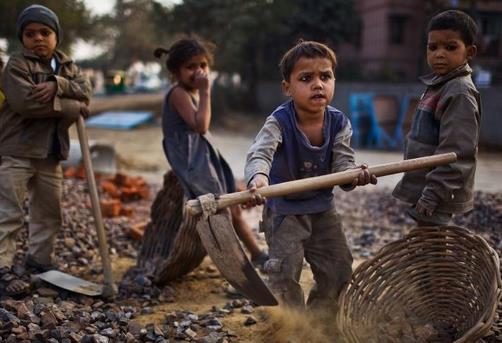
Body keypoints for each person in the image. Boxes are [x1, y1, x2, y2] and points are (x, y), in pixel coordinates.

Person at [244, 40, 377, 310]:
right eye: (306, 78)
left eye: (325, 76)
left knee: (337, 266)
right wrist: (259, 177)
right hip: (285, 212)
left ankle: (321, 322)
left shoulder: (339, 122)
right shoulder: (279, 121)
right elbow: (260, 153)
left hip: (322, 211)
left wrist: (353, 175)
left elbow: (343, 164)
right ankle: (290, 326)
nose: (318, 84)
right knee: (284, 272)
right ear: (287, 88)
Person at [0, 4, 91, 295]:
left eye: (45, 32)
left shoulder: (68, 66)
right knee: (9, 212)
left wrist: (57, 84)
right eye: (30, 34)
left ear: (56, 36)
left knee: (49, 212)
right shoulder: (17, 65)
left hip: (51, 153)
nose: (38, 38)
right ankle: (2, 268)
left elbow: (86, 89)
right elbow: (26, 104)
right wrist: (73, 106)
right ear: (22, 38)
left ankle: (39, 262)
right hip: (18, 150)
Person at [154, 36, 268, 268]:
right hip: (192, 161)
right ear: (176, 72)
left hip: (203, 156)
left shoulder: (192, 92)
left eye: (203, 65)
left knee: (231, 206)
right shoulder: (179, 94)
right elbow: (200, 125)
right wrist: (206, 92)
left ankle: (256, 252)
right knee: (218, 211)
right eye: (190, 67)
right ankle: (237, 263)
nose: (198, 71)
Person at [393, 10, 481, 226]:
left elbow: (456, 153)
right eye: (433, 47)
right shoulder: (439, 85)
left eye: (450, 47)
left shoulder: (458, 92)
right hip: (426, 187)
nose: (439, 54)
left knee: (434, 249)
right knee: (426, 246)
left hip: (439, 193)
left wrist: (433, 194)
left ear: (469, 51)